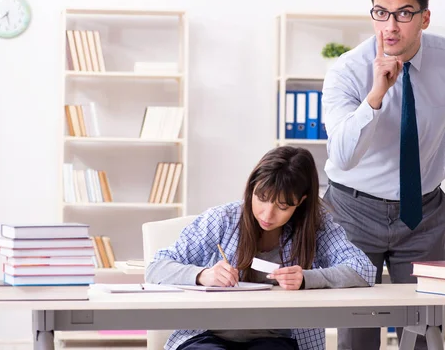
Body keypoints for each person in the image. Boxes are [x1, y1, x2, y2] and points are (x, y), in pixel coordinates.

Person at [321, 0, 445, 350]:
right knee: (357, 331)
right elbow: (343, 156)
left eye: (404, 13)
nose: (390, 26)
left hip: (423, 213)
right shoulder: (347, 72)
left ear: (425, 18)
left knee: (424, 328)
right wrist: (375, 96)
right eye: (381, 13)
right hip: (353, 211)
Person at [146, 145, 377, 350]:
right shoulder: (223, 219)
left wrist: (308, 278)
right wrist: (203, 275)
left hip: (276, 339)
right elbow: (156, 267)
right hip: (207, 335)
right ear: (252, 187)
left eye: (283, 206)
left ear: (301, 202)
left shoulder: (316, 226)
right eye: (261, 197)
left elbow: (363, 269)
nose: (267, 214)